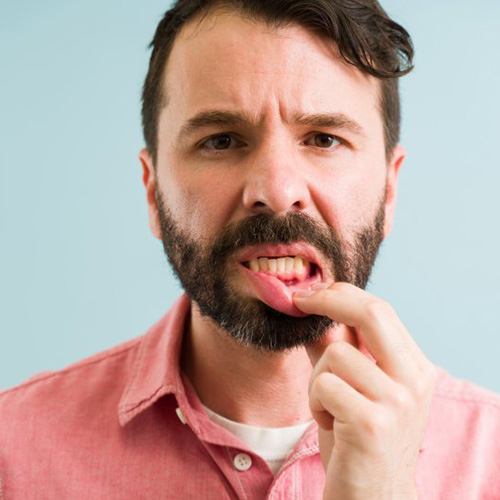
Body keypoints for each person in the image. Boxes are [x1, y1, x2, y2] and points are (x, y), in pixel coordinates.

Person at [1, 0, 499, 498]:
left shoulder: (489, 457)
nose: (277, 190)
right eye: (221, 141)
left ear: (389, 191)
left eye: (324, 139)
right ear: (153, 192)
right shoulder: (13, 452)